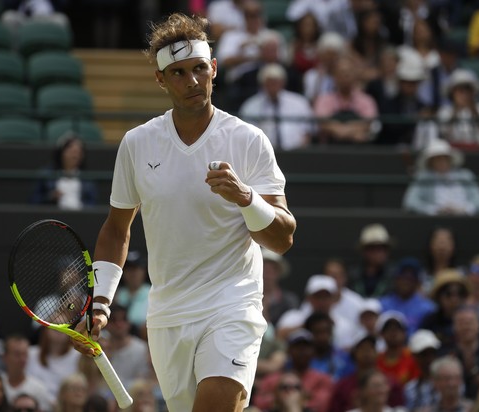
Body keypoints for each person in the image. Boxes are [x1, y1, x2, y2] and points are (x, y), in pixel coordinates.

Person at [71, 12, 297, 412]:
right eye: (178, 73)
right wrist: (101, 303)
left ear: (213, 68)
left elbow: (282, 237)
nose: (192, 81)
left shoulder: (249, 140)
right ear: (161, 80)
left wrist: (247, 198)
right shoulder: (137, 143)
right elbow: (116, 229)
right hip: (168, 315)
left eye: (198, 69)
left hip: (233, 304)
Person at [402, 139, 479, 216]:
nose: (442, 162)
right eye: (437, 159)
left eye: (444, 158)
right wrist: (435, 210)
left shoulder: (466, 175)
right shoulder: (423, 177)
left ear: (450, 159)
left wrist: (464, 209)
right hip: (436, 221)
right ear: (431, 162)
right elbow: (410, 202)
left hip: (466, 220)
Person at [239, 63, 314, 150]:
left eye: (276, 82)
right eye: (269, 82)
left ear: (283, 82)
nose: (273, 86)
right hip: (263, 156)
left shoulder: (299, 102)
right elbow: (247, 136)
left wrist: (301, 151)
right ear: (262, 83)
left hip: (297, 154)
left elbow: (308, 131)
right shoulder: (250, 106)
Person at [30, 133, 98, 210]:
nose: (75, 156)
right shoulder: (46, 174)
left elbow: (92, 203)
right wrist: (50, 197)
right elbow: (33, 201)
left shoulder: (87, 178)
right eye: (71, 152)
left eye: (78, 153)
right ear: (61, 153)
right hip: (54, 217)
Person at [378, 257, 436, 336]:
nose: (406, 283)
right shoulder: (382, 304)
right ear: (396, 279)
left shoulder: (428, 308)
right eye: (403, 278)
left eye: (410, 279)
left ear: (417, 282)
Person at [419, 269, 471, 353]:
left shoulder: (471, 321)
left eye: (460, 293)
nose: (454, 299)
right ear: (439, 297)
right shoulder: (430, 322)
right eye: (448, 294)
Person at [436, 69, 479, 150]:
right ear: (452, 92)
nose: (464, 94)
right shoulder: (445, 111)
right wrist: (456, 110)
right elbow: (444, 133)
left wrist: (474, 110)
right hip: (454, 152)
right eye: (460, 90)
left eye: (468, 90)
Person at [1, 334, 54, 412]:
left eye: (25, 354)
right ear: (5, 357)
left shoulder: (38, 388)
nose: (22, 359)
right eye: (17, 354)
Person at [347, 223, 395, 299]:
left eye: (384, 249)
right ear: (365, 251)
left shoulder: (394, 275)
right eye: (375, 249)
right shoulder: (352, 275)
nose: (380, 253)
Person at [375, 311, 420, 388]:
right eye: (388, 329)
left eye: (397, 328)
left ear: (404, 333)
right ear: (381, 334)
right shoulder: (376, 360)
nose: (393, 332)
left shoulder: (414, 357)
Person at [114, 250, 150, 340]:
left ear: (144, 271)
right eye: (129, 269)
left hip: (146, 342)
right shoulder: (115, 295)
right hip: (118, 342)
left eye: (136, 268)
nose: (133, 273)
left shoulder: (153, 293)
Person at [404, 329, 441, 411]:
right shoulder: (410, 389)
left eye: (432, 353)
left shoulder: (449, 383)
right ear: (415, 357)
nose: (429, 359)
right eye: (423, 355)